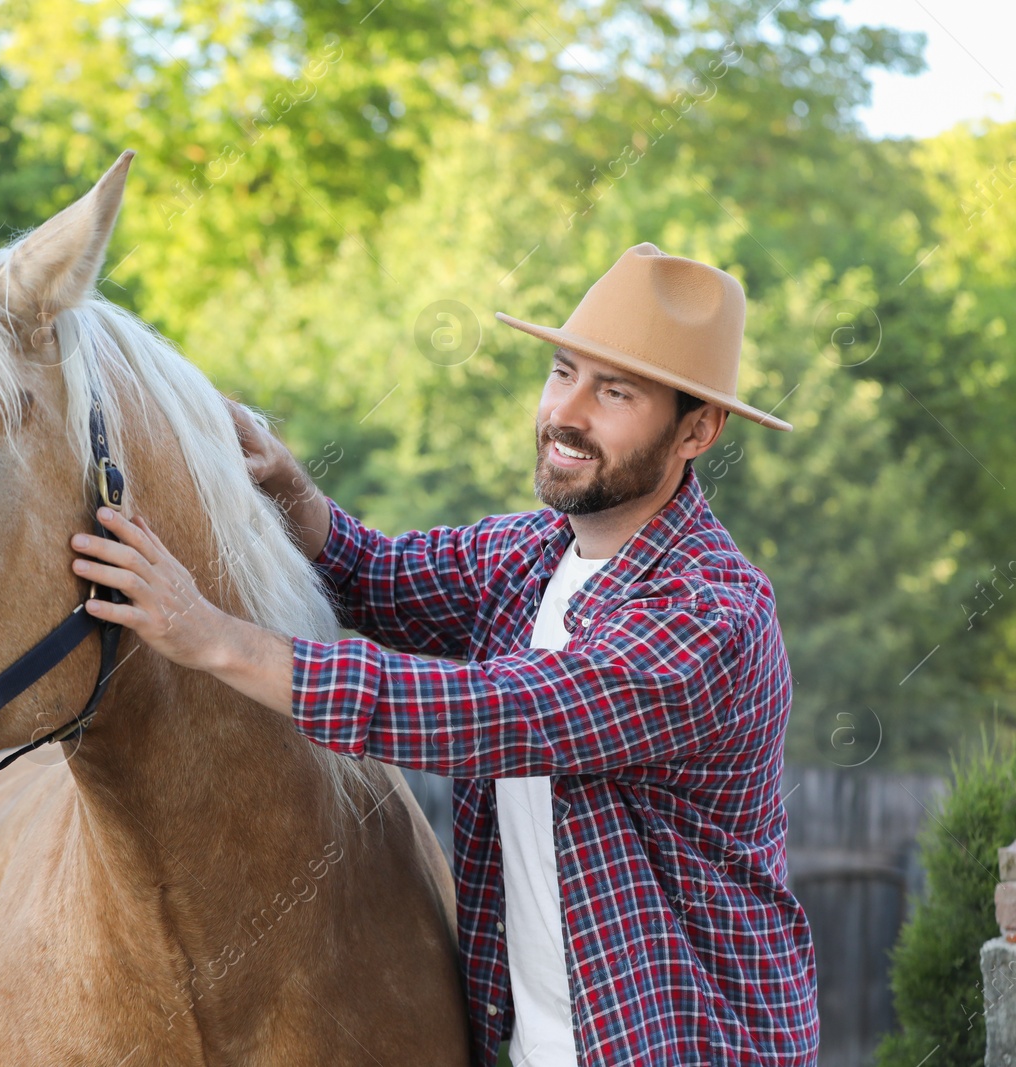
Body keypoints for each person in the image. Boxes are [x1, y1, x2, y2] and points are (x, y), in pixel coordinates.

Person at [69, 243, 820, 1066]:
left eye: (615, 392)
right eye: (563, 371)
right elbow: (380, 577)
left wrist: (210, 634)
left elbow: (497, 713)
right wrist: (291, 490)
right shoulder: (530, 554)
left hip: (683, 1047)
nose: (567, 412)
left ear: (698, 429)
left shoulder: (710, 612)